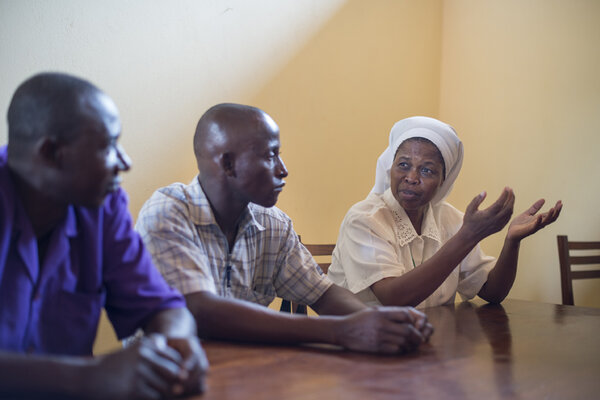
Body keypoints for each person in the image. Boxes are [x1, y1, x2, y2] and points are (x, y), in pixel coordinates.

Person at [136, 103, 433, 355]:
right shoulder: (169, 213)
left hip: (243, 375)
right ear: (228, 164)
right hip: (165, 382)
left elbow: (323, 294)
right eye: (270, 155)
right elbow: (199, 311)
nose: (283, 168)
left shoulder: (273, 224)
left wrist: (379, 324)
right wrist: (339, 331)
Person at [0, 72, 208, 399]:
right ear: (52, 153)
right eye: (109, 146)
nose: (125, 162)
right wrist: (87, 378)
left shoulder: (102, 206)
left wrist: (175, 346)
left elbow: (164, 308)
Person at [327, 116, 562, 308]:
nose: (411, 177)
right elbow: (394, 298)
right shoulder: (364, 218)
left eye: (427, 170)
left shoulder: (450, 219)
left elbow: (492, 292)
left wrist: (512, 241)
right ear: (391, 167)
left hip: (426, 347)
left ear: (443, 181)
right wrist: (467, 237)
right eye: (403, 165)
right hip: (362, 352)